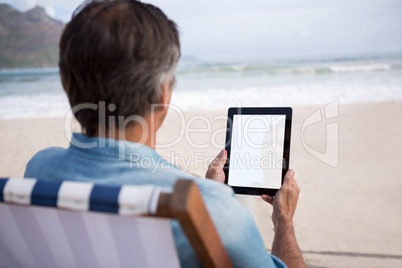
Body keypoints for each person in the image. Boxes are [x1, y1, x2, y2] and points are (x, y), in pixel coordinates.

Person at [24, 0, 305, 267]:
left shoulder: (40, 168)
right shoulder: (211, 208)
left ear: (66, 83)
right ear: (163, 94)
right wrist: (283, 221)